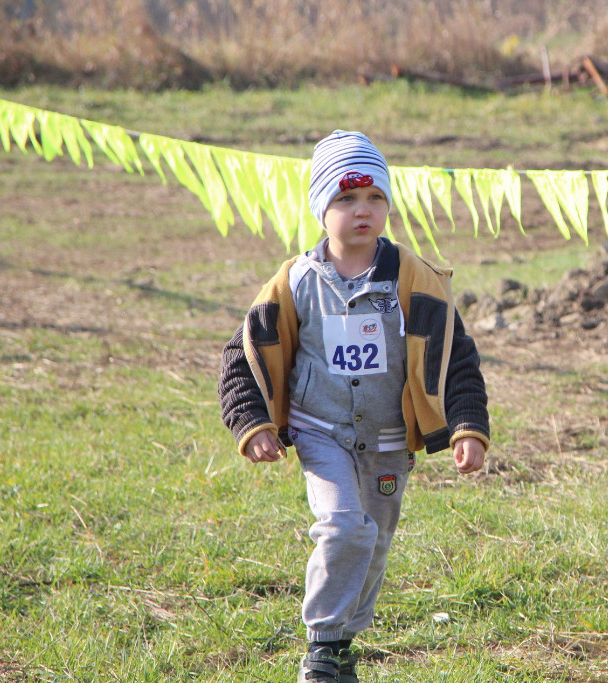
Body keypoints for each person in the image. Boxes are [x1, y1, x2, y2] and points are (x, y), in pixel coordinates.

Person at [218, 130, 490, 683]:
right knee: (345, 526)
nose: (362, 210)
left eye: (374, 197)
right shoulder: (295, 281)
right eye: (345, 198)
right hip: (321, 431)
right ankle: (321, 646)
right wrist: (253, 421)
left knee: (373, 542)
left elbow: (456, 357)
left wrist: (466, 426)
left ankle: (342, 642)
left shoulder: (416, 278)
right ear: (321, 208)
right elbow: (243, 352)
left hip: (388, 440)